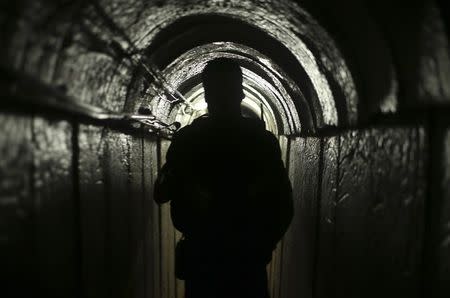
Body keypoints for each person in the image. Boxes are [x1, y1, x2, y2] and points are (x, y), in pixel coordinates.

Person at [154, 58, 293, 298]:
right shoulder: (261, 141)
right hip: (247, 261)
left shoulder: (188, 140)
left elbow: (161, 193)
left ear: (207, 96)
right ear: (240, 93)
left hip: (203, 260)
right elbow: (283, 205)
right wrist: (262, 245)